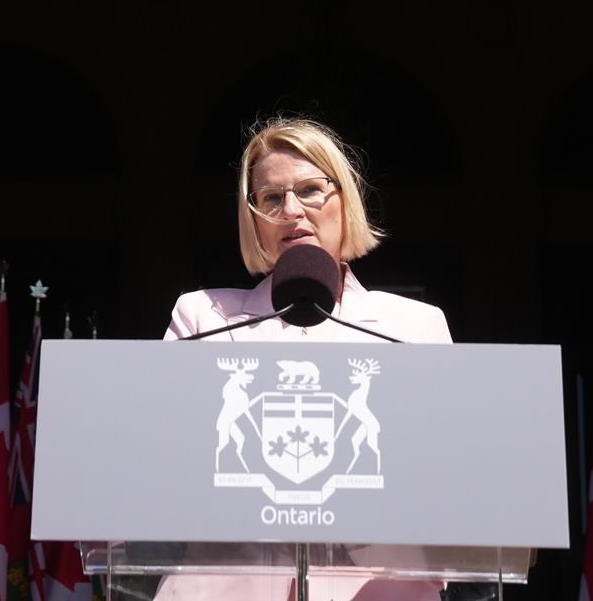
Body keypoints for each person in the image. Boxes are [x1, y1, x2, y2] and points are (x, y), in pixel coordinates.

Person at [157, 117, 452, 601]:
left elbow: (444, 479)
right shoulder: (203, 316)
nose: (291, 210)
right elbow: (165, 463)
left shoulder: (414, 327)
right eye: (271, 198)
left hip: (377, 588)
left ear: (345, 201)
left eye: (311, 190)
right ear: (253, 218)